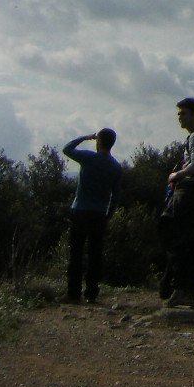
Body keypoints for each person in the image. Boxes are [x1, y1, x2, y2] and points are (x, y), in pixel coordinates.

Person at [62, 129, 123, 304]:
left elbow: (67, 149)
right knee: (95, 255)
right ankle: (91, 294)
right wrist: (108, 215)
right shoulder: (115, 167)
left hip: (80, 210)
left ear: (98, 141)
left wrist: (84, 137)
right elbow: (116, 196)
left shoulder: (89, 157)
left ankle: (73, 294)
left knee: (76, 254)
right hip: (99, 214)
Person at [160, 96, 194, 307]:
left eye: (183, 113)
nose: (179, 117)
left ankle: (182, 289)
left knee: (179, 240)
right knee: (190, 242)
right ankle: (189, 289)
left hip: (189, 192)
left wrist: (176, 175)